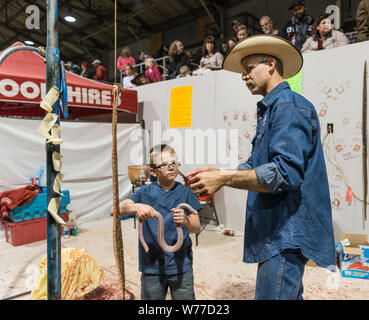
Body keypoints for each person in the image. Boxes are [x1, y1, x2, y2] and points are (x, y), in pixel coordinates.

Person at [186, 35, 335, 300]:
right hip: (278, 231)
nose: (243, 77)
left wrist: (224, 178)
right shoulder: (273, 109)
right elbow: (258, 165)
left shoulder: (288, 106)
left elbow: (284, 174)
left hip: (286, 232)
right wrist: (218, 173)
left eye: (248, 69)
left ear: (270, 64)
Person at [112, 144, 201, 300]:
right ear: (153, 171)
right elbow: (115, 210)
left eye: (174, 163)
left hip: (181, 266)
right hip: (152, 267)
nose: (172, 167)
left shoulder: (186, 193)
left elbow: (197, 227)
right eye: (165, 164)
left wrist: (186, 220)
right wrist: (136, 207)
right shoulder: (145, 192)